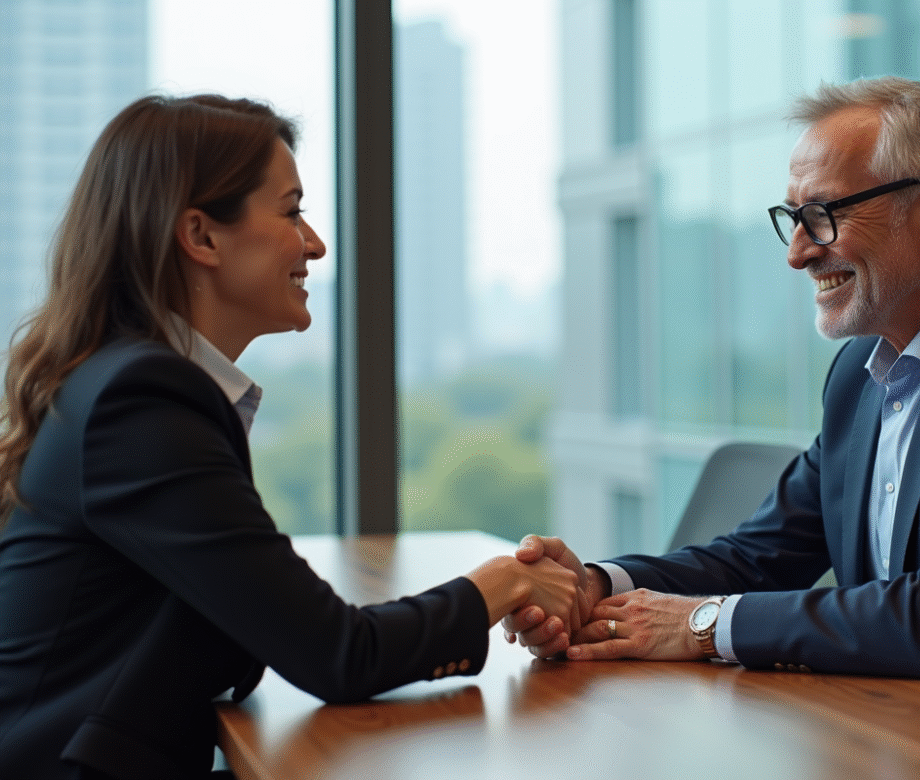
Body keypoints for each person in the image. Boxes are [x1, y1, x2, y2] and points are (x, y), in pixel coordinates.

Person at [506, 76, 920, 729]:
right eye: (792, 219)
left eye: (823, 217)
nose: (798, 254)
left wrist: (704, 625)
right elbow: (759, 556)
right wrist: (598, 586)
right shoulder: (860, 371)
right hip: (909, 729)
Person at [0, 95, 579, 780]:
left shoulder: (123, 380)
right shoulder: (142, 402)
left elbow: (278, 620)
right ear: (202, 236)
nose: (315, 243)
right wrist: (502, 582)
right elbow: (338, 654)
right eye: (291, 210)